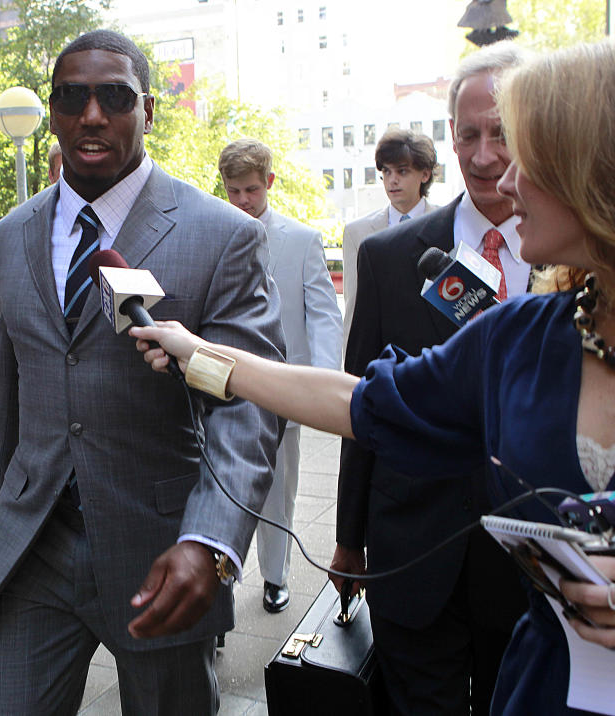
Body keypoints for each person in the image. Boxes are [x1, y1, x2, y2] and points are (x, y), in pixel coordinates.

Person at [131, 39, 615, 716]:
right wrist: (198, 355)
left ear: (589, 169)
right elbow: (356, 400)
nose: (499, 178)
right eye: (471, 136)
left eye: (523, 154)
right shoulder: (527, 333)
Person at [0, 29, 285, 715]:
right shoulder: (9, 234)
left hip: (162, 548)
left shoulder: (223, 235)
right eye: (71, 98)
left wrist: (211, 541)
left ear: (148, 108)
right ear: (52, 111)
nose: (91, 116)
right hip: (32, 547)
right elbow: (9, 387)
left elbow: (250, 407)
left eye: (113, 98)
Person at [333, 42, 532, 716]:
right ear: (450, 137)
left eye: (502, 134)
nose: (483, 156)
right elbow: (359, 397)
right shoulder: (392, 258)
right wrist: (347, 533)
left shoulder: (581, 253)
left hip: (532, 567)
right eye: (469, 134)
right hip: (413, 557)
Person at [219, 138, 342, 613]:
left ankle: (275, 576)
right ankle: (223, 579)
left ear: (268, 182)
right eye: (234, 192)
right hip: (225, 388)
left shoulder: (302, 240)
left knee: (277, 492)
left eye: (251, 189)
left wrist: (322, 384)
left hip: (284, 391)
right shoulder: (217, 232)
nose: (243, 201)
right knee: (225, 491)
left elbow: (323, 315)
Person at [341, 128, 438, 342]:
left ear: (425, 174)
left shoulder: (447, 223)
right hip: (382, 355)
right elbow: (354, 307)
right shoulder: (358, 233)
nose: (392, 180)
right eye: (386, 172)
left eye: (402, 171)